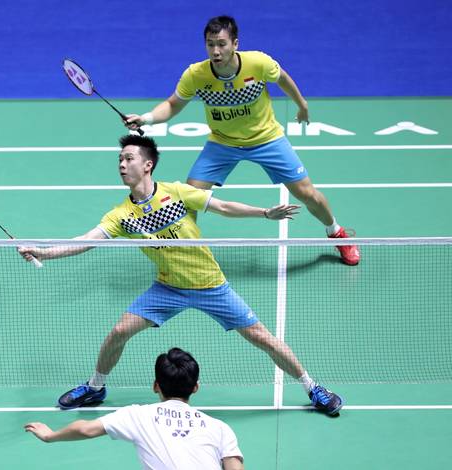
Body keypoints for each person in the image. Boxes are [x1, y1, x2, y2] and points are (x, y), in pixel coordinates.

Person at [19, 134, 343, 416]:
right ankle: (95, 387)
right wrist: (44, 251)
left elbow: (224, 207)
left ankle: (313, 388)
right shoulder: (121, 215)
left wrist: (264, 213)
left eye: (128, 158)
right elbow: (85, 242)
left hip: (210, 285)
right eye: (119, 159)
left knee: (260, 336)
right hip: (167, 288)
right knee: (119, 331)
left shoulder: (176, 192)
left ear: (147, 165)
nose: (121, 164)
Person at [124, 15, 360, 266]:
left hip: (266, 139)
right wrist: (146, 118)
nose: (215, 50)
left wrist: (301, 105)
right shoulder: (196, 74)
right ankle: (185, 252)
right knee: (190, 196)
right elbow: (172, 105)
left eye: (222, 44)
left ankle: (336, 232)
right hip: (222, 143)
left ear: (235, 43)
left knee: (307, 194)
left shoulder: (257, 63)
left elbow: (282, 78)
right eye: (210, 44)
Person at [25, 348, 245, 470]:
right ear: (196, 387)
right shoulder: (220, 428)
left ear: (155, 386)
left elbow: (85, 429)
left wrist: (50, 435)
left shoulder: (139, 415)